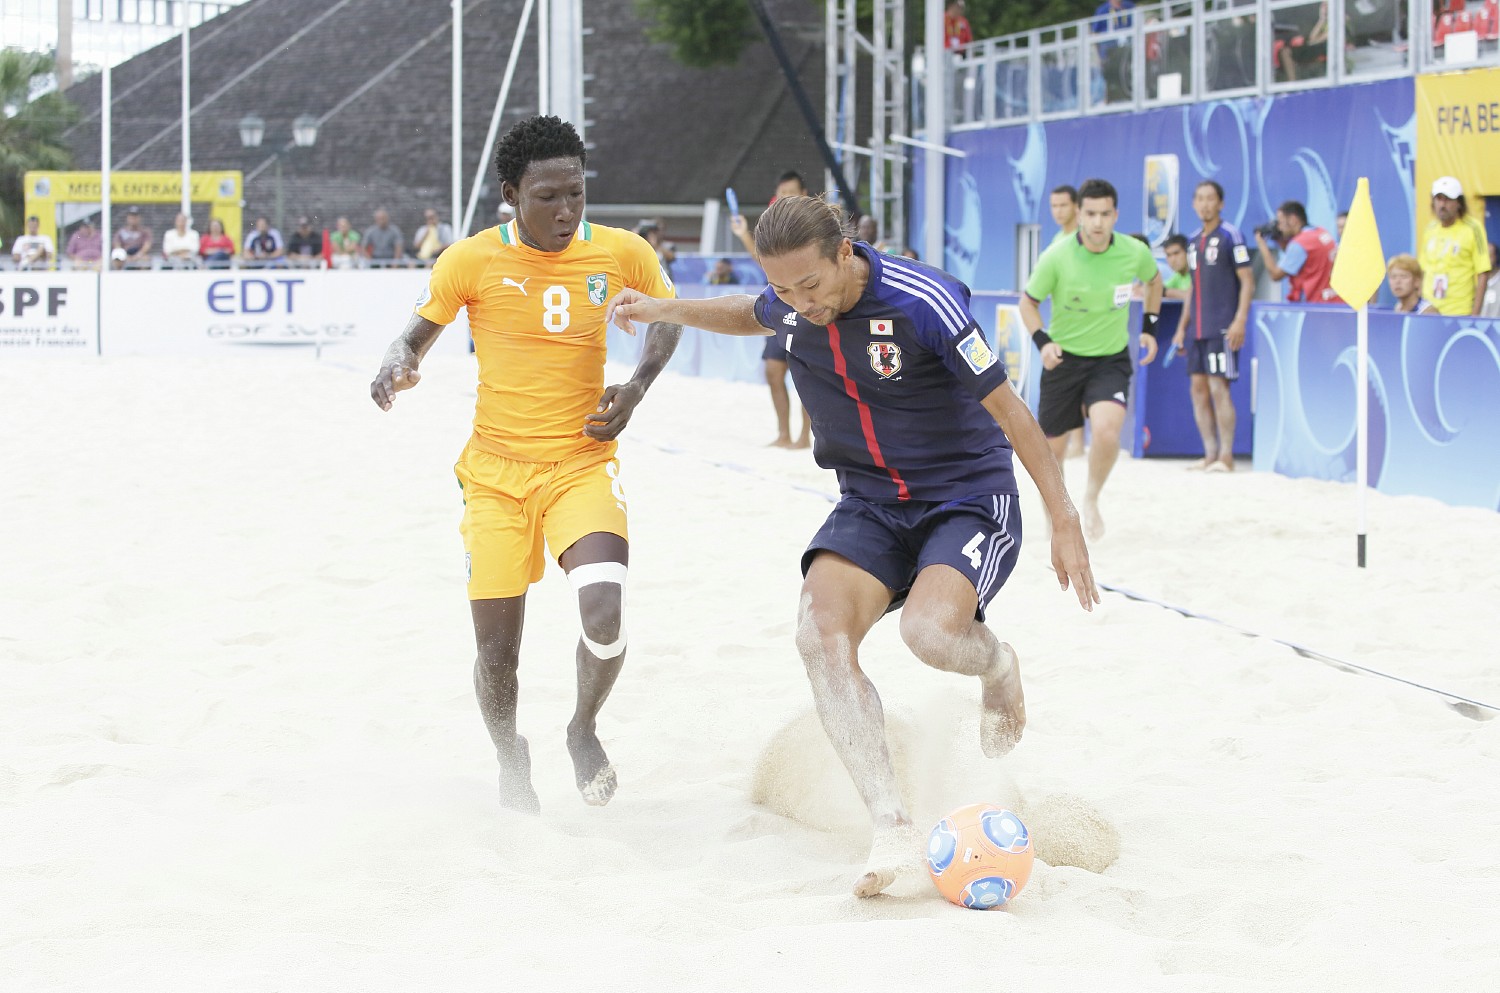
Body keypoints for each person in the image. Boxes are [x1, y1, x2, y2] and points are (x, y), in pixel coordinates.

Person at [606, 194, 1099, 898]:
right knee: (817, 634)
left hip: (964, 494)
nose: (800, 304)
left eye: (810, 284)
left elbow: (1013, 411)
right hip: (869, 501)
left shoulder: (924, 302)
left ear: (845, 251)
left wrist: (1064, 516)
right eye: (784, 288)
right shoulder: (790, 303)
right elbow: (750, 312)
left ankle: (998, 664)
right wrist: (663, 307)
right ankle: (890, 822)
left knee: (929, 634)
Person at [368, 115, 682, 815]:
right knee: (496, 655)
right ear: (512, 195)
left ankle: (582, 727)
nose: (566, 211)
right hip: (495, 477)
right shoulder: (470, 260)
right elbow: (411, 338)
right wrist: (397, 366)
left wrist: (636, 386)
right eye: (547, 197)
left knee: (605, 613)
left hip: (581, 463)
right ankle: (510, 753)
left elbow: (668, 315)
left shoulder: (621, 251)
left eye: (576, 193)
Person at [1020, 177, 1161, 540]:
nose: (1098, 222)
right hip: (1063, 359)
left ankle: (1092, 497)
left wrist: (1150, 327)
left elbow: (1155, 281)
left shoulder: (1134, 251)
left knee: (1107, 431)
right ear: (1080, 214)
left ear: (1116, 215)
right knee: (1052, 451)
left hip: (1110, 359)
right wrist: (1043, 343)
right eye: (1091, 214)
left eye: (1105, 214)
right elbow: (1028, 303)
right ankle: (1058, 519)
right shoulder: (1056, 255)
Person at [1169, 180, 1254, 473]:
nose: (1205, 204)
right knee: (1198, 390)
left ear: (1221, 203)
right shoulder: (1193, 241)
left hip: (1222, 326)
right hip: (1197, 329)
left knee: (1219, 388)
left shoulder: (1232, 235)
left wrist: (1240, 320)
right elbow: (1192, 288)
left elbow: (1248, 281)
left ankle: (1226, 456)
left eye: (1210, 199)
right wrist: (1182, 328)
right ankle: (1209, 454)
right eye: (1200, 199)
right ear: (1194, 204)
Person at [732, 171, 814, 449]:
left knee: (807, 374)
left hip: (806, 306)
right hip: (780, 306)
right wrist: (743, 234)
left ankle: (804, 437)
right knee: (773, 371)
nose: (785, 197)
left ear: (804, 194)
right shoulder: (772, 226)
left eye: (790, 192)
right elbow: (763, 261)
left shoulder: (811, 225)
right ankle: (783, 434)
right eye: (781, 193)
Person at [1418, 177, 1491, 317]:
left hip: (1459, 311)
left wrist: (1475, 316)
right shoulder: (1430, 229)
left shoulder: (1473, 228)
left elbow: (1483, 272)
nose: (1442, 204)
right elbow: (1422, 270)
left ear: (1459, 203)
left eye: (1448, 199)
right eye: (1438, 199)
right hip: (1429, 311)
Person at [1256, 200, 1339, 304]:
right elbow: (1305, 259)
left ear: (1293, 220)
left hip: (1315, 304)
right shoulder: (1321, 232)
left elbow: (1275, 275)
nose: (1279, 228)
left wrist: (1261, 243)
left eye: (1280, 222)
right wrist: (1280, 241)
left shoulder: (1299, 243)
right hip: (1333, 300)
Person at [1161, 234, 1191, 300]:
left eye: (1176, 253)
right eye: (1168, 255)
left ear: (1188, 253)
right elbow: (1160, 289)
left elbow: (1192, 297)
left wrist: (1165, 292)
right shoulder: (1178, 275)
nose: (1173, 260)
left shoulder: (1198, 273)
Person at [1481, 243, 1500, 319]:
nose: (1486, 260)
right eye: (1484, 257)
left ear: (1496, 257)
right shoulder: (1475, 280)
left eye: (1489, 256)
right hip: (1477, 324)